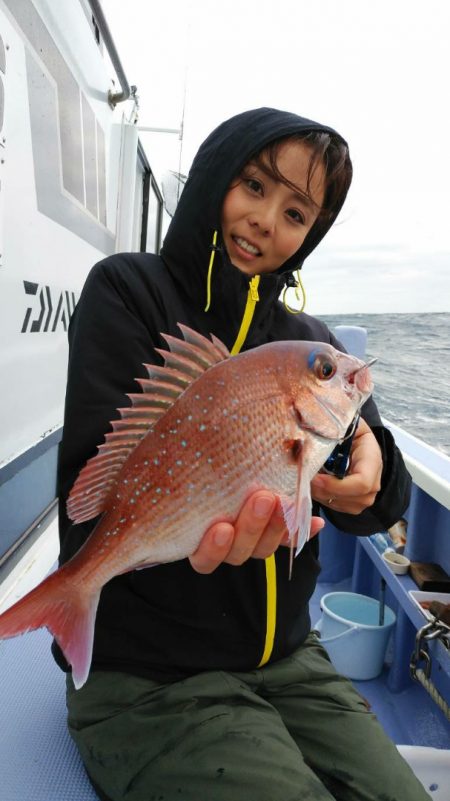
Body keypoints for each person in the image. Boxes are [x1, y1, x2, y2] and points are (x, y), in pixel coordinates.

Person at [55, 108, 429, 801]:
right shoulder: (129, 292)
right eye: (253, 185)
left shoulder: (311, 346)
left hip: (289, 660)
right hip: (150, 677)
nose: (266, 220)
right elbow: (89, 501)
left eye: (296, 212)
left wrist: (368, 454)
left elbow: (387, 502)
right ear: (213, 176)